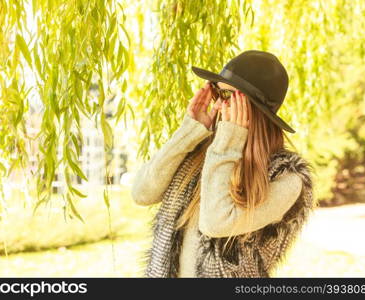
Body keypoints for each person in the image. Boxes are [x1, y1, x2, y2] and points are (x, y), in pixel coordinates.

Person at [131, 50, 315, 278]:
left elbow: (215, 223)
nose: (217, 105)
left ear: (255, 109)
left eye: (227, 96)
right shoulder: (206, 155)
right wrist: (189, 132)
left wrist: (229, 142)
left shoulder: (287, 179)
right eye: (216, 92)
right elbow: (141, 193)